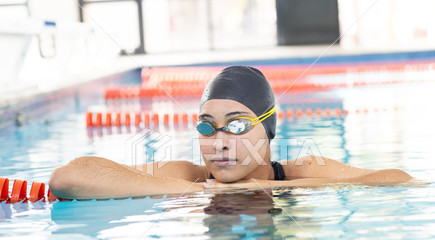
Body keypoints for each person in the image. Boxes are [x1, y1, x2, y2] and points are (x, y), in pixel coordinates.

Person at [49, 66, 412, 199]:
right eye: (207, 126)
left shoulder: (301, 170)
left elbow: (398, 179)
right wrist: (198, 191)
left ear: (268, 130)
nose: (219, 142)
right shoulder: (188, 175)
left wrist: (269, 188)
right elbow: (68, 178)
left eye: (237, 125)